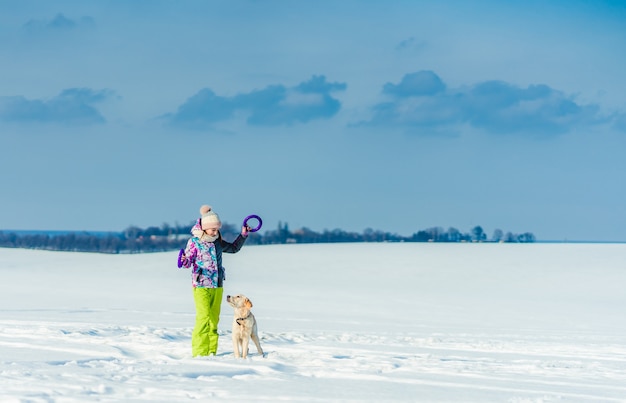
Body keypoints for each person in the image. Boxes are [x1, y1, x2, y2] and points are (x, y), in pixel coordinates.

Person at [179, 204, 250, 357]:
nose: (215, 232)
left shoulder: (217, 241)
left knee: (213, 320)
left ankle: (211, 352)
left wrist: (243, 235)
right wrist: (184, 260)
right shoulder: (195, 242)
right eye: (213, 229)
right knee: (203, 318)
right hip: (201, 286)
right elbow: (186, 262)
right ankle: (199, 353)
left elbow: (233, 248)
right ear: (204, 228)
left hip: (217, 285)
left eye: (217, 229)